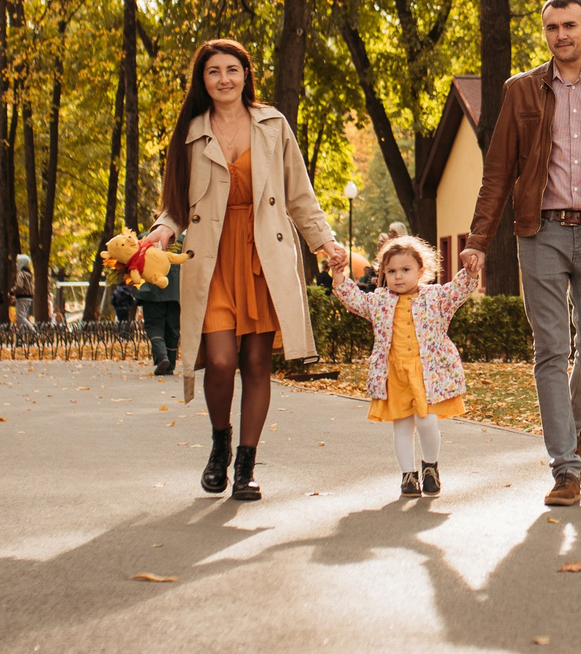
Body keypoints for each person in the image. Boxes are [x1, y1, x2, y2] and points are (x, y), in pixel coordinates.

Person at [457, 0, 581, 508]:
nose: (561, 35)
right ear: (544, 34)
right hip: (538, 232)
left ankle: (568, 429)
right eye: (551, 27)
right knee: (550, 351)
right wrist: (478, 240)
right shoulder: (520, 91)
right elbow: (497, 173)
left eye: (570, 25)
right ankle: (565, 467)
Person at [140, 37, 343, 502]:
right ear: (203, 80)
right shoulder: (191, 132)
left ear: (246, 74)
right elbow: (175, 203)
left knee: (255, 362)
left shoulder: (273, 125)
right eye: (214, 72)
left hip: (263, 255)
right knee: (221, 360)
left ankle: (246, 465)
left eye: (232, 69)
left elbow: (299, 195)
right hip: (210, 259)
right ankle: (219, 444)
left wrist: (323, 242)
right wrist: (161, 232)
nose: (224, 79)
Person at [332, 234, 480, 498]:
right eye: (391, 271)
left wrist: (469, 272)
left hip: (427, 373)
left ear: (421, 272)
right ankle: (408, 475)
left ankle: (430, 467)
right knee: (402, 426)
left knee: (427, 422)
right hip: (394, 374)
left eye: (405, 270)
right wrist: (339, 277)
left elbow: (459, 290)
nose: (398, 276)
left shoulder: (436, 298)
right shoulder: (379, 301)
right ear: (383, 273)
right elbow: (354, 300)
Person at [137, 245, 181, 375]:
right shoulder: (182, 240)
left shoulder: (145, 240)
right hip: (176, 291)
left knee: (154, 325)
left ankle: (162, 356)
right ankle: (170, 365)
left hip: (152, 291)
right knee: (172, 327)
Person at [13, 254, 36, 325]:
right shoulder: (29, 274)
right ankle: (21, 334)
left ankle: (33, 331)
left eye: (18, 262)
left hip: (21, 297)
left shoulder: (21, 274)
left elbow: (19, 286)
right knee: (24, 316)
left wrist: (12, 291)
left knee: (20, 317)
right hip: (28, 297)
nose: (16, 264)